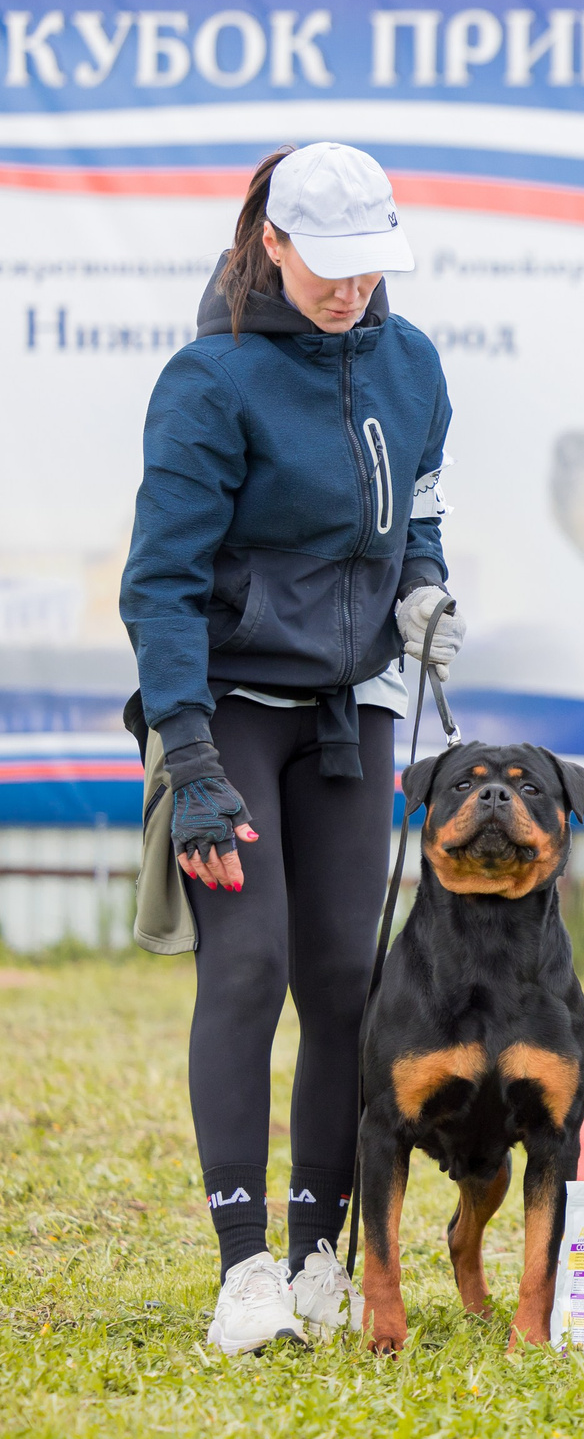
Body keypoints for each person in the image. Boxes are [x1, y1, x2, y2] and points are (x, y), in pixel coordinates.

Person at [121, 143, 462, 1355]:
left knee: (344, 979)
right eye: (327, 266)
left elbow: (419, 499)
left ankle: (322, 1252)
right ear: (273, 241)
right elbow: (158, 585)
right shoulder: (209, 381)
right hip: (230, 707)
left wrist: (420, 591)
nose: (349, 290)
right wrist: (191, 762)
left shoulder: (411, 362)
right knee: (250, 965)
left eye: (370, 267)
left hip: (352, 703)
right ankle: (246, 1267)